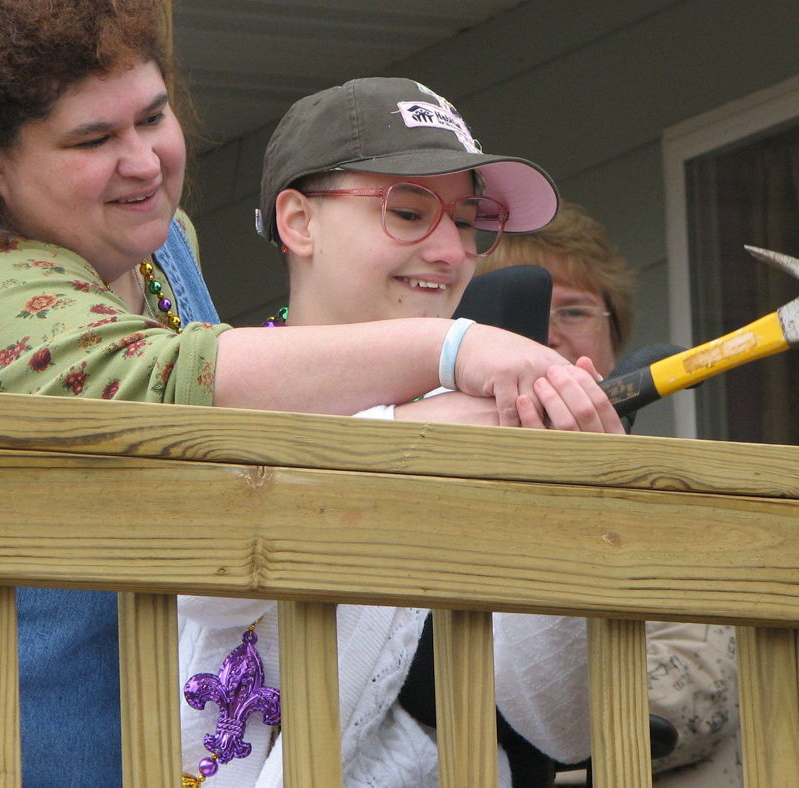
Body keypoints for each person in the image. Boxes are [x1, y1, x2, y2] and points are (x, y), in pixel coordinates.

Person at [0, 0, 621, 788]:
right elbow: (173, 391)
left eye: (154, 116)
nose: (142, 162)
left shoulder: (158, 248)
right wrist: (455, 355)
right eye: (92, 140)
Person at [178, 77, 625, 788]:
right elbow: (208, 584)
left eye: (469, 220)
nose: (453, 251)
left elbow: (559, 725)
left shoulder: (480, 426)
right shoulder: (203, 380)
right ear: (299, 223)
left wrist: (574, 506)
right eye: (410, 211)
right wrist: (409, 436)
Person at [478, 207, 742, 786]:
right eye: (523, 315)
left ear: (613, 339)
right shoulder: (432, 492)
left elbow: (694, 694)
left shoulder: (681, 501)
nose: (547, 335)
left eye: (572, 311)